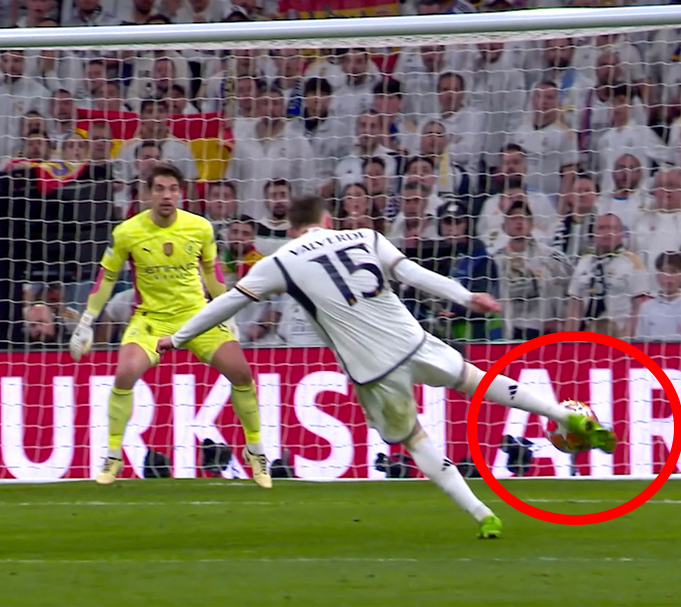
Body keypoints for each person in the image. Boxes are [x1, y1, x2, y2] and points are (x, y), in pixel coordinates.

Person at [155, 194, 617, 539]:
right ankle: (562, 414)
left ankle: (483, 514)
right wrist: (465, 296)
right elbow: (412, 272)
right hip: (413, 340)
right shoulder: (367, 236)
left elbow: (230, 302)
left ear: (292, 229)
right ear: (328, 221)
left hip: (372, 369)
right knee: (479, 383)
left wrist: (177, 338)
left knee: (415, 439)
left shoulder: (281, 261)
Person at [69, 164, 270, 488]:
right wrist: (86, 322)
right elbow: (106, 277)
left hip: (197, 318)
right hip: (150, 320)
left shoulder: (200, 228)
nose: (166, 195)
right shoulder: (127, 232)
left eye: (172, 189)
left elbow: (212, 273)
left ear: (181, 193)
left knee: (242, 373)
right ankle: (113, 454)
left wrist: (227, 315)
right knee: (124, 375)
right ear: (147, 193)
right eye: (159, 189)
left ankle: (255, 449)